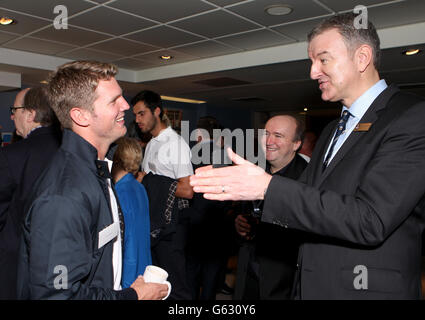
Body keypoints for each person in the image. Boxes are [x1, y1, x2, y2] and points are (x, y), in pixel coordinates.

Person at [190, 12, 425, 299]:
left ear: (362, 57)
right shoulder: (331, 130)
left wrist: (267, 187)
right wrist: (256, 198)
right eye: (312, 61)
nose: (313, 72)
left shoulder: (411, 117)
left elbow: (370, 220)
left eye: (323, 59)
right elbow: (310, 202)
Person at [17, 61, 168, 300]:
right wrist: (134, 297)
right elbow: (57, 295)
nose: (125, 106)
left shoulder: (97, 171)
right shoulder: (63, 195)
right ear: (81, 115)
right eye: (114, 100)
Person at [233, 115, 307, 300]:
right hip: (249, 262)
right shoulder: (253, 168)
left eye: (278, 135)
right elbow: (242, 210)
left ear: (296, 143)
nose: (268, 141)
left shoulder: (308, 179)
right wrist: (238, 222)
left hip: (284, 274)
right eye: (266, 134)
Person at [0, 86, 61, 299]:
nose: (11, 115)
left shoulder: (11, 156)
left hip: (15, 269)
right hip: (61, 264)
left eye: (14, 109)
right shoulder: (68, 151)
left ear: (30, 114)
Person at [132, 90, 193, 299]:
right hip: (155, 224)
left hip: (172, 228)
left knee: (176, 287)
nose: (137, 120)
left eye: (141, 114)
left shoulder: (175, 144)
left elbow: (188, 189)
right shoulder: (151, 143)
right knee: (156, 284)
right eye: (136, 115)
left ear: (156, 111)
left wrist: (148, 180)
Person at [185, 116, 233, 300]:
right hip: (218, 221)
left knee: (192, 271)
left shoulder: (190, 155)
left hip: (195, 220)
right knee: (211, 273)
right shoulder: (225, 157)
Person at [112, 137, 152, 289]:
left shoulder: (118, 193)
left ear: (116, 159)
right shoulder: (139, 187)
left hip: (128, 268)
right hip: (143, 264)